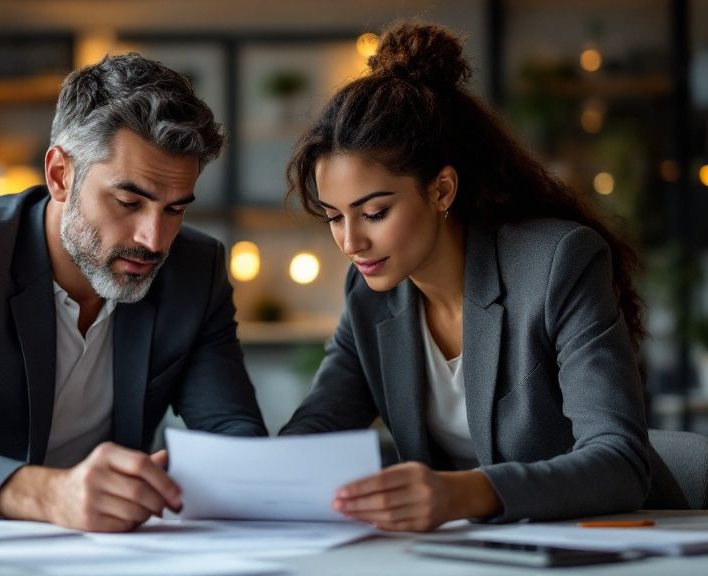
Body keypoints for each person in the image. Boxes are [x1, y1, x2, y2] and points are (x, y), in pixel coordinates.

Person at [280, 21, 684, 531]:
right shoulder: (369, 293)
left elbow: (620, 461)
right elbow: (319, 426)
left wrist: (463, 494)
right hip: (470, 552)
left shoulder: (558, 263)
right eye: (335, 217)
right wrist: (241, 481)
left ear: (441, 190)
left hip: (611, 542)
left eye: (375, 212)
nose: (350, 242)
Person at [0, 53, 267, 532]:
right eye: (129, 202)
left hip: (106, 552)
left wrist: (182, 478)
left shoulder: (197, 269)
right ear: (60, 176)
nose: (155, 239)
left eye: (175, 210)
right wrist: (51, 494)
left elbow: (235, 438)